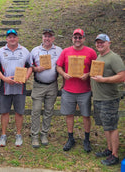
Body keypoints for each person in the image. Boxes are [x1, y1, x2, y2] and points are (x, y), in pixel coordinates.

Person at [56, 28, 97, 152]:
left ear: (84, 38)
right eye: (75, 37)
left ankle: (86, 139)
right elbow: (58, 66)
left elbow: (97, 68)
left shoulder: (91, 52)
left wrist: (88, 74)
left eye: (80, 37)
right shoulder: (66, 51)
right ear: (72, 38)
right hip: (68, 89)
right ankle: (70, 138)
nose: (77, 39)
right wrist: (64, 74)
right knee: (69, 115)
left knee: (86, 115)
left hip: (84, 90)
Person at [0, 29, 32, 147]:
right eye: (9, 37)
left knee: (19, 112)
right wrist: (4, 79)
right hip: (5, 87)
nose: (12, 39)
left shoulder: (24, 51)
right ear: (6, 39)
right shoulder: (0, 52)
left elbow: (30, 66)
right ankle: (3, 135)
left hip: (20, 87)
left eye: (14, 36)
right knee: (4, 112)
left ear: (17, 38)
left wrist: (26, 77)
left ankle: (18, 134)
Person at [91, 34, 125, 166]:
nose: (99, 44)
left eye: (102, 42)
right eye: (98, 42)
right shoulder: (100, 57)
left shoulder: (113, 58)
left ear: (109, 43)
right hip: (99, 98)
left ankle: (115, 155)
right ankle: (109, 149)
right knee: (106, 126)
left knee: (112, 127)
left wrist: (103, 80)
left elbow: (122, 76)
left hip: (109, 98)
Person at [30, 29, 62, 148]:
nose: (47, 38)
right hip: (38, 85)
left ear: (53, 38)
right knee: (36, 110)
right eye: (45, 36)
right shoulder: (35, 50)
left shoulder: (59, 50)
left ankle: (44, 133)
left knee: (48, 111)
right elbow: (29, 66)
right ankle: (34, 135)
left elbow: (62, 65)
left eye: (49, 36)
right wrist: (35, 69)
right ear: (42, 37)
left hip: (52, 85)